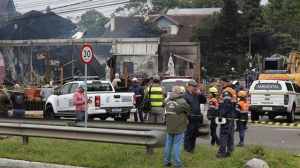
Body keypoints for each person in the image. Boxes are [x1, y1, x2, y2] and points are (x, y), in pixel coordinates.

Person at [164, 86, 191, 168]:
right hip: (179, 126)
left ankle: (167, 161)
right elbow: (188, 110)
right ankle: (177, 163)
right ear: (180, 93)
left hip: (169, 125)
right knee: (177, 145)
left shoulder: (167, 100)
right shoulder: (182, 102)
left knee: (168, 144)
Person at [183, 80, 207, 153]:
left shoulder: (197, 95)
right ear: (189, 86)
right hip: (189, 118)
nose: (195, 88)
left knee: (194, 134)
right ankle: (187, 149)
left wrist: (201, 94)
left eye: (195, 87)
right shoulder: (185, 95)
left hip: (197, 117)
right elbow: (184, 108)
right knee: (188, 134)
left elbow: (204, 101)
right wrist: (186, 117)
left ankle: (192, 149)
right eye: (194, 87)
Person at [217, 91, 236, 158]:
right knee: (231, 137)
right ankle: (230, 152)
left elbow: (221, 113)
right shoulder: (233, 103)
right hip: (232, 121)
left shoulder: (223, 104)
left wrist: (219, 117)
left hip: (225, 122)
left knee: (223, 137)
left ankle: (221, 153)